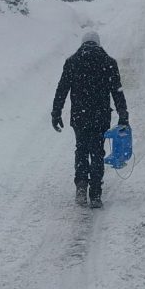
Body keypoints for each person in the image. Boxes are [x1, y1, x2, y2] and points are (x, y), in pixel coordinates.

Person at [51, 30, 129, 208]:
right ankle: (95, 194)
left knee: (81, 149)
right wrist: (123, 115)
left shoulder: (72, 62)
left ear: (83, 43)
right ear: (98, 44)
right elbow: (117, 91)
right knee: (97, 152)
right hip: (100, 116)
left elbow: (61, 89)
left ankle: (81, 186)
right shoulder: (108, 62)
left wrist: (56, 113)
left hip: (80, 116)